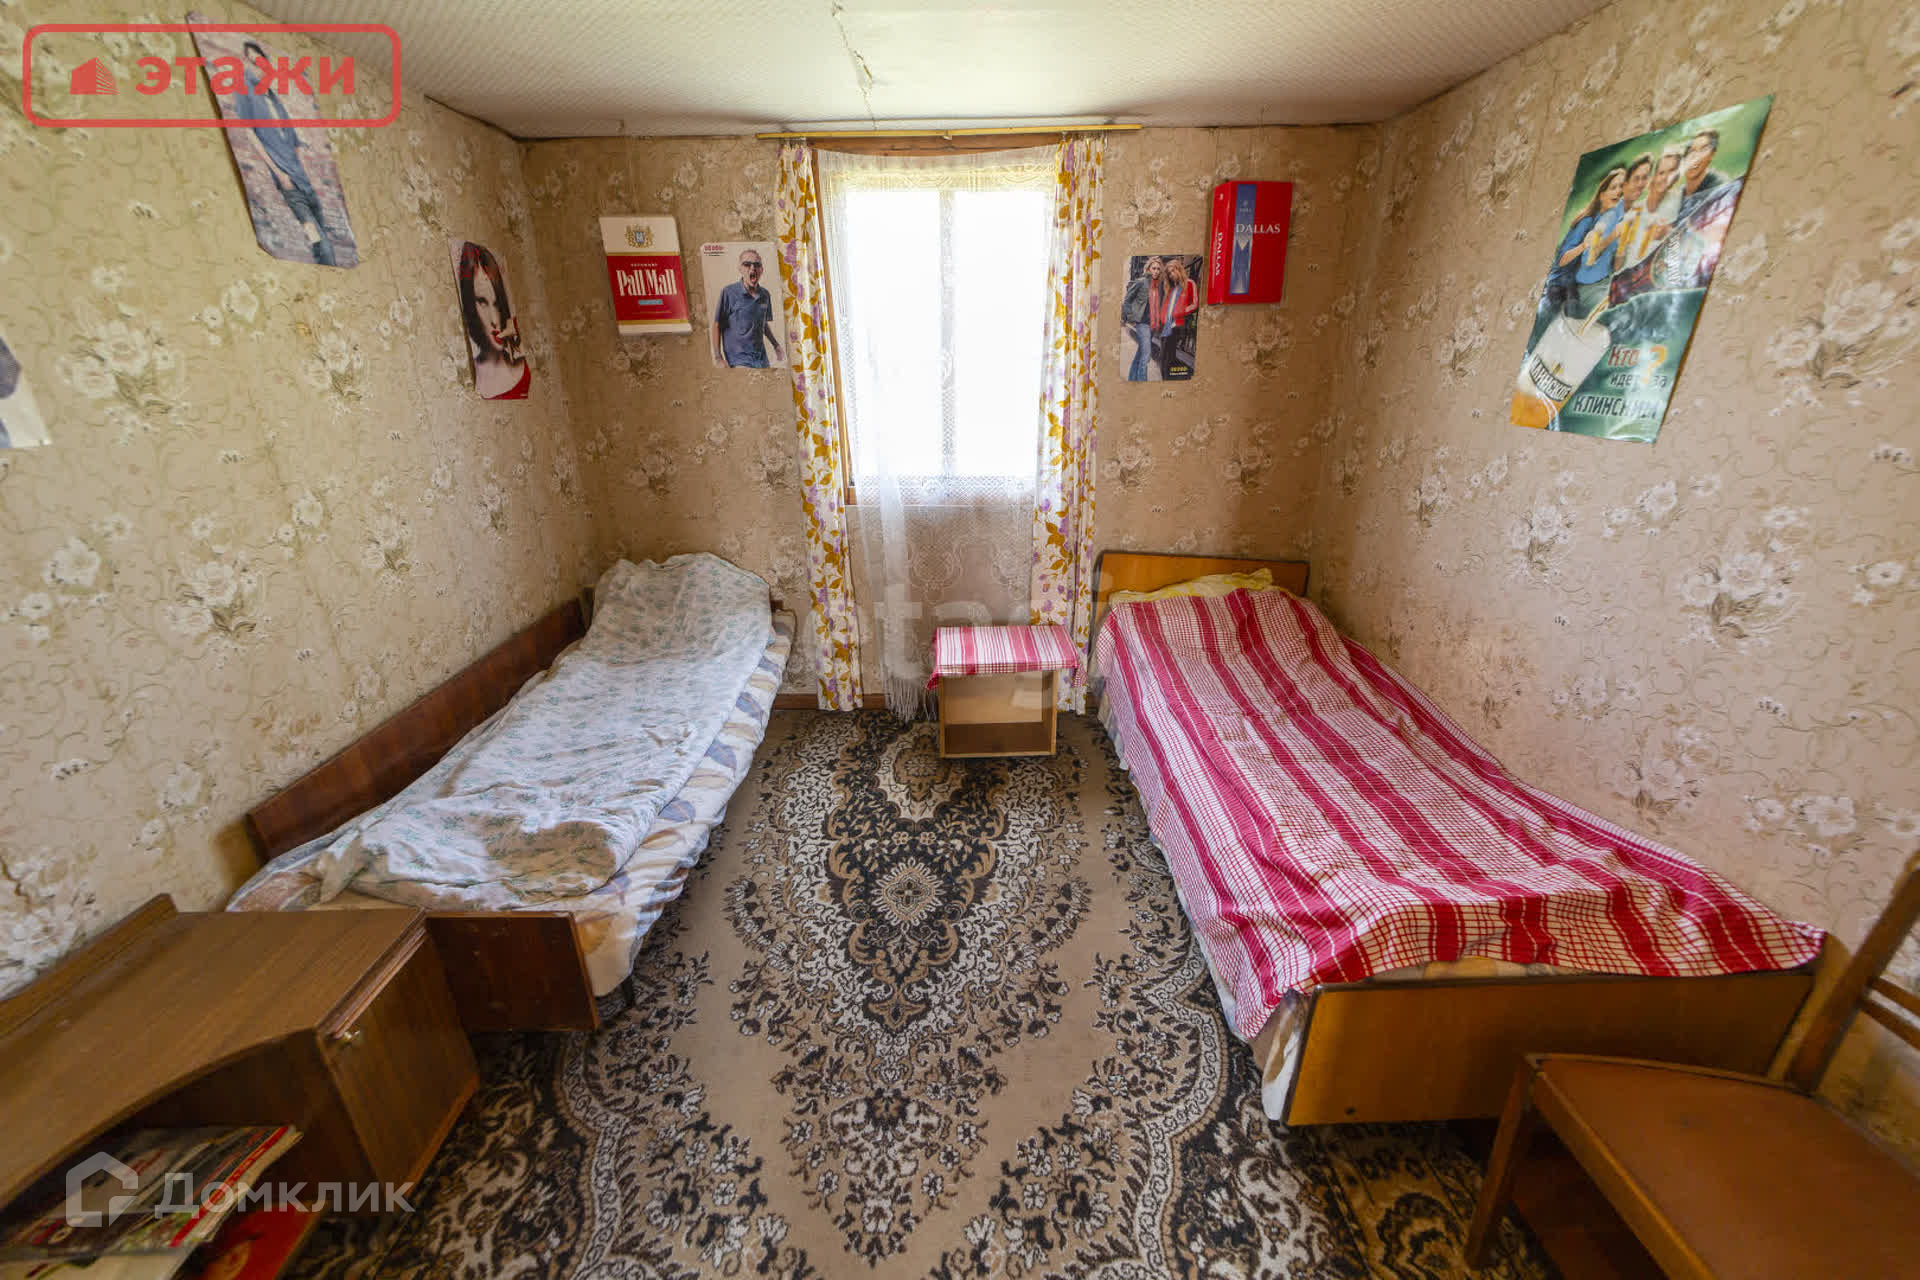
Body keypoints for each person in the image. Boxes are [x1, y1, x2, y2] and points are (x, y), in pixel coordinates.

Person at [229, 40, 338, 266]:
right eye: (253, 62)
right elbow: (250, 134)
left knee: (322, 240)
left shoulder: (273, 97)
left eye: (261, 62)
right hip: (288, 181)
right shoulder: (244, 90)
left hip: (303, 179)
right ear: (246, 63)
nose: (259, 67)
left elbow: (294, 139)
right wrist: (280, 175)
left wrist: (304, 170)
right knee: (319, 240)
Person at [455, 241, 531, 399]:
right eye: (482, 302)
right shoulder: (478, 384)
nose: (495, 320)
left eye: (497, 304)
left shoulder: (520, 368)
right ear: (470, 306)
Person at [1558, 165, 1628, 319]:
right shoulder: (1587, 221)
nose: (1618, 192)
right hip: (1575, 285)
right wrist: (1583, 246)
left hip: (1602, 281)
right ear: (1601, 195)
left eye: (1621, 188)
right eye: (1613, 187)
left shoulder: (1614, 215)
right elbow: (1562, 260)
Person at [711, 249, 784, 368]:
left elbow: (763, 323)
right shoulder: (728, 292)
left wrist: (776, 345)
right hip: (738, 361)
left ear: (761, 270)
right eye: (747, 264)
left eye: (757, 265)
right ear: (740, 268)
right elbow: (717, 325)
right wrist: (718, 358)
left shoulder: (765, 295)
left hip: (761, 360)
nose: (752, 268)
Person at [1121, 256, 1163, 381]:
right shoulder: (1141, 282)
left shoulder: (1158, 286)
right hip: (1142, 323)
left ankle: (1132, 379)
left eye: (1158, 269)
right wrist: (1131, 318)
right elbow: (1127, 300)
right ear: (1148, 268)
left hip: (1152, 324)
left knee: (1140, 354)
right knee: (1146, 355)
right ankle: (1142, 383)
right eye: (1154, 268)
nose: (1156, 271)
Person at [1157, 255, 1200, 380]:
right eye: (1169, 273)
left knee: (1167, 356)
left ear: (1179, 269)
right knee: (1164, 356)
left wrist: (1181, 312)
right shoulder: (1171, 288)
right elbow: (1166, 306)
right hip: (1167, 325)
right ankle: (1165, 379)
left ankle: (1166, 379)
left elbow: (1195, 304)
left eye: (1173, 271)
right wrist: (1163, 318)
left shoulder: (1189, 283)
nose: (1171, 275)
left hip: (1177, 324)